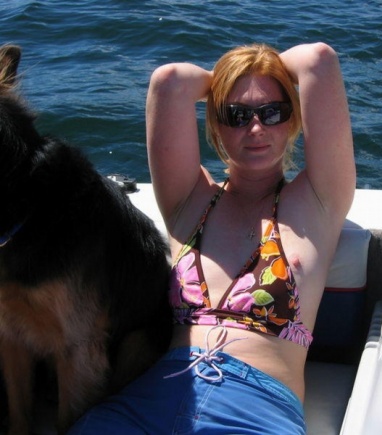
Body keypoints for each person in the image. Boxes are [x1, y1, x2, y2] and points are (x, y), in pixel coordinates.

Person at [70, 42, 355, 434]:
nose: (256, 128)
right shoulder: (190, 201)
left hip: (255, 408)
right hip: (153, 398)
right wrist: (225, 80)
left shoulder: (317, 203)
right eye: (235, 115)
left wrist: (263, 65)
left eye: (273, 112)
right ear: (215, 125)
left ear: (292, 121)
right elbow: (170, 82)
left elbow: (318, 60)